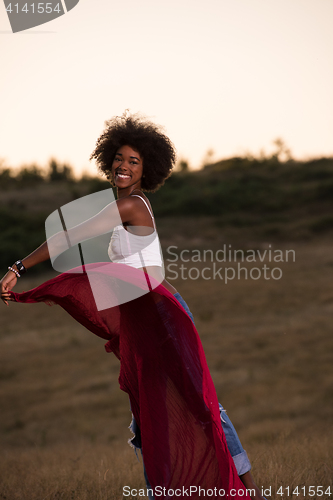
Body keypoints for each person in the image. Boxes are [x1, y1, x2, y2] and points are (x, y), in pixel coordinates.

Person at [1, 113, 265, 500]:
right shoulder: (124, 204)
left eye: (134, 161)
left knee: (197, 403)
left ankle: (245, 490)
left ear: (148, 169)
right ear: (109, 159)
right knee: (157, 410)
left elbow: (70, 236)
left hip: (162, 320)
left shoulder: (131, 207)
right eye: (119, 158)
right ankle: (173, 488)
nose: (123, 166)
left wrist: (18, 267)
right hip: (145, 322)